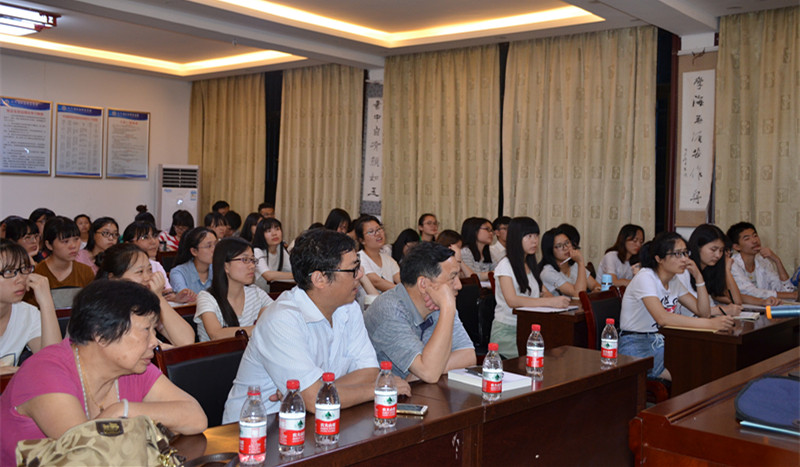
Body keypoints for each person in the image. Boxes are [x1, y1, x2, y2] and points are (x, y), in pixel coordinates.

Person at [0, 280, 207, 466]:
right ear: (100, 334)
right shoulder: (45, 372)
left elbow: (196, 418)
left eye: (155, 330)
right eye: (146, 330)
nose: (154, 342)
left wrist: (121, 410)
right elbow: (87, 456)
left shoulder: (132, 366)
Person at [222, 229, 411, 421]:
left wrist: (316, 391)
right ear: (319, 279)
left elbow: (369, 372)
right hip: (255, 426)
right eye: (353, 269)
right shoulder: (282, 319)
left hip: (312, 419)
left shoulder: (348, 308)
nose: (360, 274)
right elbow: (314, 401)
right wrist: (381, 388)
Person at [619, 232, 734, 379]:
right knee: (691, 373)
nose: (685, 259)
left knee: (705, 363)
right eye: (678, 254)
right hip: (637, 346)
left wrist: (699, 277)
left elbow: (703, 312)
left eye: (685, 253)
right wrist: (710, 324)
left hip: (660, 341)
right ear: (659, 258)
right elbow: (663, 318)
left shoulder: (673, 281)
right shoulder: (645, 277)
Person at [364, 242, 476, 382]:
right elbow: (429, 374)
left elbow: (469, 356)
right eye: (452, 278)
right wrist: (448, 309)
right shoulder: (389, 310)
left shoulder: (438, 303)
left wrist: (422, 373)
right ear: (423, 284)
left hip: (418, 389)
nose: (459, 285)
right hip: (385, 394)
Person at [490, 217, 571, 357]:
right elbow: (512, 300)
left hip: (529, 327)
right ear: (516, 238)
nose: (534, 241)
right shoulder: (505, 265)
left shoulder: (530, 264)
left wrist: (558, 302)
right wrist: (549, 302)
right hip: (508, 331)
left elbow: (545, 292)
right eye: (529, 236)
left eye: (536, 235)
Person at [96, 244, 195, 347]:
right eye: (140, 272)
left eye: (150, 270)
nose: (148, 277)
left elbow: (186, 341)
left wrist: (159, 297)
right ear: (113, 278)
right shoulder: (104, 311)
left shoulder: (145, 304)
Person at [194, 237, 272, 341]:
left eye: (253, 260)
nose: (252, 266)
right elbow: (216, 334)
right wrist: (259, 328)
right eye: (245, 260)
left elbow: (276, 316)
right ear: (226, 266)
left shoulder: (257, 293)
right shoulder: (207, 297)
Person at [0, 240, 60, 374]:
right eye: (9, 271)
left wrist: (46, 303)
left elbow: (53, 362)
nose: (21, 279)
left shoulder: (26, 313)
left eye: (23, 269)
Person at [24, 217, 94, 308]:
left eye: (76, 239)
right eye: (65, 241)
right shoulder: (37, 274)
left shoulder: (86, 272)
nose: (73, 246)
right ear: (49, 245)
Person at [677, 224, 745, 314]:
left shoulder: (710, 270)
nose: (718, 255)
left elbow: (737, 301)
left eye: (721, 250)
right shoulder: (684, 271)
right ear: (698, 247)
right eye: (713, 249)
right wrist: (723, 310)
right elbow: (693, 310)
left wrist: (727, 270)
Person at [122, 221, 191, 303]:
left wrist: (175, 297)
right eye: (145, 237)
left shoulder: (156, 265)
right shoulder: (123, 267)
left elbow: (168, 292)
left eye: (155, 236)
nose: (153, 242)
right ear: (128, 244)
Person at [727, 222, 798, 301]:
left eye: (755, 236)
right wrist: (792, 295)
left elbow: (786, 291)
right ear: (736, 247)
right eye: (747, 239)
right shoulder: (732, 264)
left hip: (766, 307)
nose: (754, 241)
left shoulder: (763, 261)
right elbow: (750, 292)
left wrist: (777, 261)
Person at [540, 227, 600, 297]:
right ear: (550, 250)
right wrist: (580, 262)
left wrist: (596, 290)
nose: (565, 248)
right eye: (559, 246)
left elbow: (595, 285)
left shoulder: (574, 265)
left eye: (567, 242)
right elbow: (578, 294)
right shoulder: (548, 272)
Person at [355, 215, 400, 292]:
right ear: (362, 240)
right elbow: (376, 282)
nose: (378, 234)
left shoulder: (388, 259)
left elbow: (401, 280)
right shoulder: (359, 258)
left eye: (379, 229)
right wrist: (402, 291)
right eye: (371, 232)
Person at [169, 227, 216, 296]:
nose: (214, 249)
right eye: (209, 246)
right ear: (194, 251)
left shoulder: (219, 269)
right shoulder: (178, 273)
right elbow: (185, 297)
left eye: (216, 244)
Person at [252, 218, 293, 282]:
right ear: (261, 235)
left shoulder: (280, 248)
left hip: (273, 287)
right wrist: (296, 275)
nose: (274, 234)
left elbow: (292, 268)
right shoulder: (257, 251)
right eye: (268, 231)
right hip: (257, 287)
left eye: (277, 229)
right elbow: (268, 276)